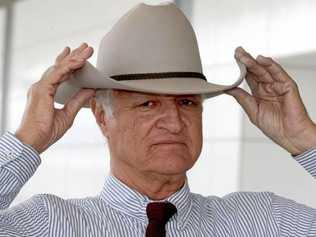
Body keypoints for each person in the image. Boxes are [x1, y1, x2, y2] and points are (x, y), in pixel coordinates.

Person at [0, 2, 315, 237]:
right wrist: (27, 141)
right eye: (148, 104)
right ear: (101, 117)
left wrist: (306, 141)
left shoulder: (261, 221)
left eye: (187, 102)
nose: (175, 123)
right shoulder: (47, 224)